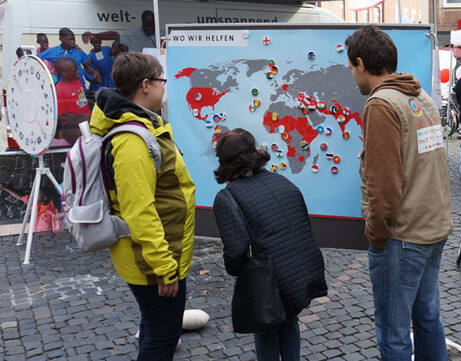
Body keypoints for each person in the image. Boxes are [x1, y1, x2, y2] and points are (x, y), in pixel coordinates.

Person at [345, 25, 453, 360]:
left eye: (351, 68)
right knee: (427, 318)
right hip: (433, 227)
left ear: (361, 64)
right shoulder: (421, 97)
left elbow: (384, 185)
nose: (352, 75)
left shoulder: (381, 105)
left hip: (402, 236)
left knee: (393, 331)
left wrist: (377, 236)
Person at [89, 52, 195, 360]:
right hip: (152, 263)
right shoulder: (133, 141)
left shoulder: (142, 127)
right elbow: (139, 211)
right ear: (146, 85)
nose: (166, 87)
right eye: (163, 81)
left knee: (154, 329)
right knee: (162, 338)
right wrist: (164, 268)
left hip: (158, 257)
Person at [212, 129, 328, 361]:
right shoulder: (282, 181)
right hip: (300, 274)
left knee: (266, 332)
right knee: (289, 323)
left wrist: (234, 269)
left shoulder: (228, 197)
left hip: (270, 282)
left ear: (224, 162)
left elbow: (236, 250)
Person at [54, 57, 91, 144]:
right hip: (76, 127)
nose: (78, 71)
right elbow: (60, 116)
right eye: (74, 70)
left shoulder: (77, 82)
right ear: (64, 73)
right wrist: (84, 119)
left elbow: (80, 99)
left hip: (88, 119)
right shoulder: (59, 90)